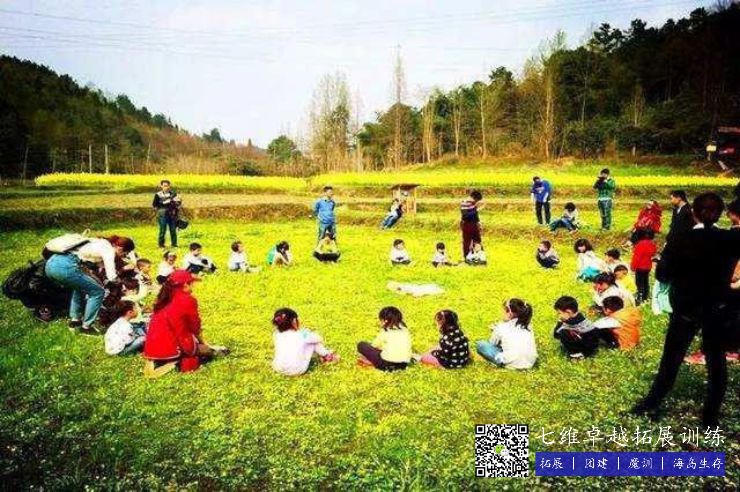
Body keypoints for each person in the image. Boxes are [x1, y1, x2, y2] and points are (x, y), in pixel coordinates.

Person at [630, 193, 740, 427]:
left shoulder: (680, 238)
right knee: (716, 363)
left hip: (686, 309)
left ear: (694, 213)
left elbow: (663, 274)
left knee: (671, 358)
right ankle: (710, 417)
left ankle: (652, 402)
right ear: (721, 214)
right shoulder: (730, 238)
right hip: (717, 308)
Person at [45, 235, 135, 335]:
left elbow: (96, 268)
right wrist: (122, 284)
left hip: (51, 264)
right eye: (125, 253)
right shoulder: (109, 250)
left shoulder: (100, 242)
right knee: (98, 292)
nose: (123, 256)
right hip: (66, 267)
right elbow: (112, 276)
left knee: (81, 288)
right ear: (120, 248)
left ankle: (75, 321)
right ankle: (86, 327)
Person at [143, 270, 227, 375]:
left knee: (202, 347)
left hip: (151, 348)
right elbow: (195, 326)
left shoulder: (163, 298)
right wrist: (204, 344)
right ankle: (177, 363)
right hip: (172, 347)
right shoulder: (187, 300)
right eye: (192, 283)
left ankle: (164, 361)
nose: (193, 287)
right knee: (208, 351)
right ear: (186, 284)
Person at [271, 308, 339, 376]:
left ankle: (325, 355)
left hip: (278, 367)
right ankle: (327, 355)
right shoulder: (302, 335)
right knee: (314, 343)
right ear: (294, 321)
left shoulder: (276, 334)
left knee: (305, 343)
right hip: (296, 370)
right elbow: (319, 338)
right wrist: (306, 332)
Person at [476, 299, 537, 370]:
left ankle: (500, 362)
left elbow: (492, 343)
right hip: (530, 362)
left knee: (481, 344)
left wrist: (495, 331)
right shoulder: (528, 326)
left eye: (504, 311)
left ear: (510, 313)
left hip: (512, 363)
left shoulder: (501, 327)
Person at [357, 306, 412, 371]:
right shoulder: (405, 330)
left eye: (381, 320)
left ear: (385, 321)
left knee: (362, 344)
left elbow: (374, 345)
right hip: (403, 365)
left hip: (386, 364)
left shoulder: (385, 331)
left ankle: (371, 362)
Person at [631, 230, 657, 305]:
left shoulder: (640, 244)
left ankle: (640, 297)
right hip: (648, 265)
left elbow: (637, 257)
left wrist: (633, 266)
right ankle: (645, 296)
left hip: (640, 266)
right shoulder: (652, 244)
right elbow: (653, 253)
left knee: (639, 282)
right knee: (645, 281)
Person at [152, 179, 181, 248]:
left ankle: (174, 244)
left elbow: (178, 204)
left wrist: (178, 201)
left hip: (172, 214)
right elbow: (154, 204)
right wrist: (163, 203)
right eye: (164, 186)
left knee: (173, 229)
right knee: (163, 230)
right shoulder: (158, 194)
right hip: (162, 214)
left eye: (167, 186)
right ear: (161, 186)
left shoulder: (173, 194)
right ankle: (161, 244)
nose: (166, 187)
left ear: (169, 186)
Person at [460, 189, 484, 258]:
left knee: (477, 240)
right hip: (467, 224)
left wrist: (478, 222)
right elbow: (465, 216)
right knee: (467, 241)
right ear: (474, 197)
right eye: (477, 200)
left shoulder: (473, 203)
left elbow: (475, 215)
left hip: (474, 224)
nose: (476, 202)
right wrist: (477, 210)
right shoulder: (465, 203)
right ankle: (467, 257)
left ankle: (479, 256)